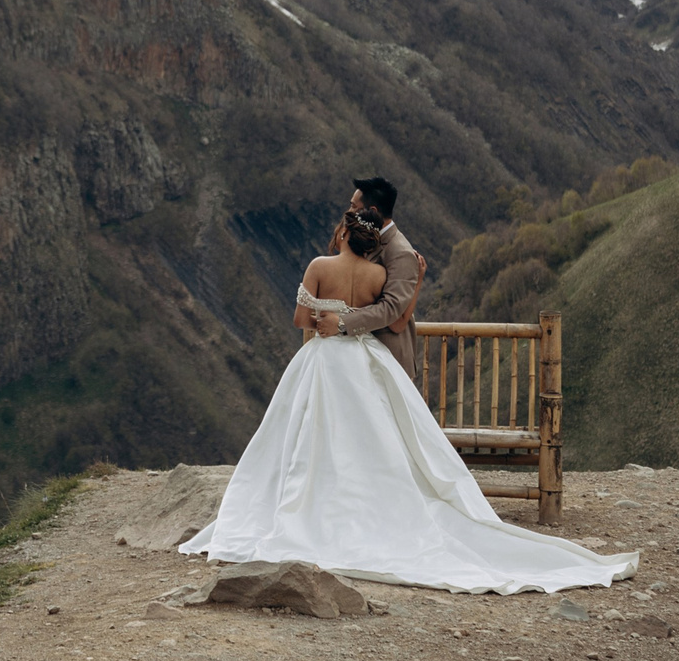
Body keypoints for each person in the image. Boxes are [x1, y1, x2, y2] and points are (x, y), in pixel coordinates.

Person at [181, 200, 635, 594]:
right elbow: (394, 321)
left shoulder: (319, 267)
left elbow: (302, 319)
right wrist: (414, 280)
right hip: (363, 361)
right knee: (369, 438)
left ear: (342, 234)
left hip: (322, 361)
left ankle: (310, 506)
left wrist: (326, 317)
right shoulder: (379, 274)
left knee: (308, 436)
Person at [305, 178, 421, 383]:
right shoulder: (363, 239)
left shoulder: (400, 252)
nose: (348, 212)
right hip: (354, 359)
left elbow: (391, 310)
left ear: (373, 210)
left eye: (353, 206)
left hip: (387, 360)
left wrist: (341, 323)